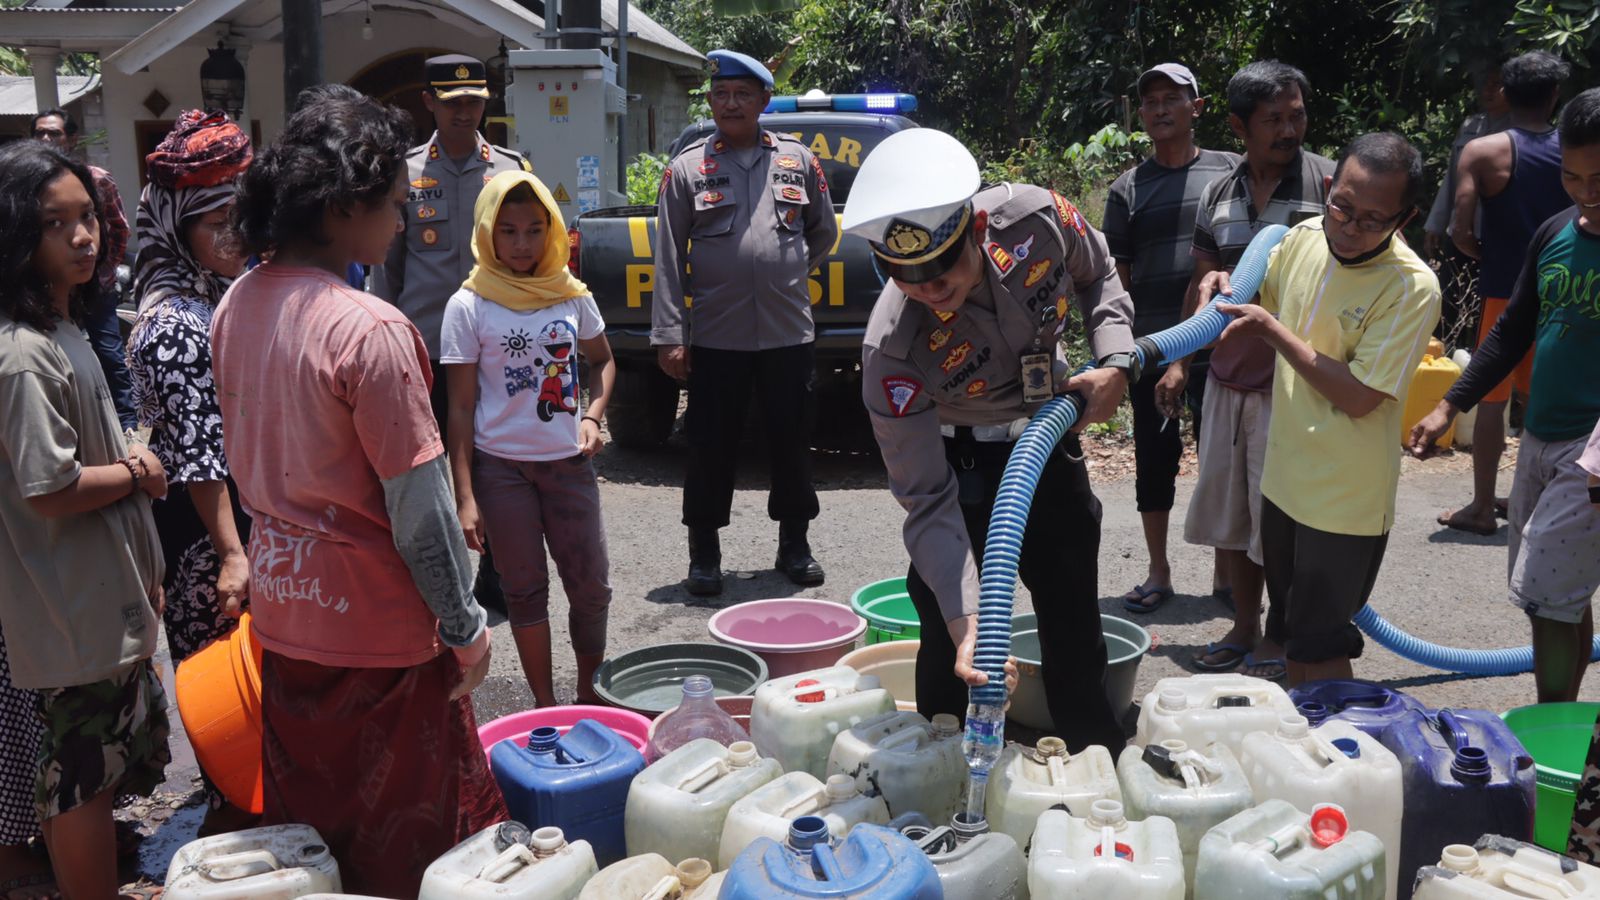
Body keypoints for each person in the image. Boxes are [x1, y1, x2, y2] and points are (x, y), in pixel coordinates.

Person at [213, 88, 505, 896]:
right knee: (408, 858)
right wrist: (465, 625)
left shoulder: (239, 301)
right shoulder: (369, 330)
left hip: (287, 616)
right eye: (395, 206)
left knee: (312, 851)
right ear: (344, 209)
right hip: (379, 640)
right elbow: (421, 513)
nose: (405, 223)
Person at [845, 127, 1135, 752]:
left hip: (1048, 440)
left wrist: (1114, 360)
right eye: (905, 274)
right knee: (948, 638)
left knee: (1072, 621)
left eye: (941, 266)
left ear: (975, 228)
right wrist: (966, 621)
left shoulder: (1038, 221)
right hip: (961, 466)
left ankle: (1094, 763)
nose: (927, 287)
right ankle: (942, 766)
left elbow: (1100, 272)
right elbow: (925, 499)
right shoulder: (891, 349)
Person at [1201, 132, 1439, 688]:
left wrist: (1272, 332)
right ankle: (1301, 745)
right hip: (1284, 481)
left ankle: (1334, 757)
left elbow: (1359, 397)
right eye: (1343, 208)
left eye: (1373, 221)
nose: (1351, 230)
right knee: (1288, 634)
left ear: (1406, 218)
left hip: (1344, 501)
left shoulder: (1412, 288)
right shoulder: (1303, 238)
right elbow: (1251, 304)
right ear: (1329, 188)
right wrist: (1219, 290)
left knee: (1320, 642)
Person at [0, 139, 171, 900]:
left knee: (97, 766)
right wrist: (139, 470)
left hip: (102, 592)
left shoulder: (64, 327)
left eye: (87, 219)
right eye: (54, 224)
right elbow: (49, 486)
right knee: (79, 776)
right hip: (69, 607)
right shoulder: (25, 352)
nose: (81, 237)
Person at [1411, 87, 1600, 705]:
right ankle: (1569, 730)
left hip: (1591, 448)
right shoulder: (1554, 233)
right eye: (1572, 177)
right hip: (1538, 437)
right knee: (1554, 599)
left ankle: (1552, 737)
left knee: (1549, 594)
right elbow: (1511, 332)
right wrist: (1448, 403)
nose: (1586, 192)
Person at [652, 49, 838, 596]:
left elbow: (822, 231)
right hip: (716, 337)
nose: (730, 103)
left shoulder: (797, 161)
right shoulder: (688, 169)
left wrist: (784, 274)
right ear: (710, 102)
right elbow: (667, 256)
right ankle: (704, 555)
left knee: (792, 441)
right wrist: (669, 336)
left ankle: (795, 545)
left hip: (787, 333)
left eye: (742, 95)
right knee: (710, 446)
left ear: (763, 101)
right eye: (721, 95)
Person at [1178, 61, 1335, 679]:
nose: (1289, 128)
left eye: (1297, 115)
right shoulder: (1219, 191)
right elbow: (1204, 278)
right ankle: (1245, 625)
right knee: (1234, 518)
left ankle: (1281, 633)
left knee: (1285, 522)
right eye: (1274, 119)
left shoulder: (1330, 185)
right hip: (1227, 379)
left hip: (1295, 385)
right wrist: (1180, 361)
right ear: (1240, 126)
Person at [123, 110, 255, 830]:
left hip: (228, 510)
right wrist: (234, 554)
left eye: (242, 216)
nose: (234, 235)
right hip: (207, 527)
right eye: (216, 221)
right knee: (221, 680)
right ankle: (233, 815)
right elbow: (201, 450)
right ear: (178, 224)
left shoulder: (212, 292)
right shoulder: (174, 321)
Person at [441, 170, 616, 708]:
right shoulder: (468, 306)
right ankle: (544, 704)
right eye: (508, 230)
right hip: (502, 472)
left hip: (569, 466)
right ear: (488, 232)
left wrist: (593, 416)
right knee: (523, 591)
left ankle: (589, 695)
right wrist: (465, 498)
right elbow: (461, 408)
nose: (522, 243)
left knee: (591, 587)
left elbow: (602, 361)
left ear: (552, 230)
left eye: (535, 229)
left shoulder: (571, 293)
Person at [374, 53, 531, 614]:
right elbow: (386, 269)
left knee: (495, 462)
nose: (466, 112)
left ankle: (495, 577)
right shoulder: (407, 173)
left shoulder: (512, 171)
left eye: (475, 102)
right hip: (430, 348)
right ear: (430, 103)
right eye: (454, 102)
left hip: (497, 348)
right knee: (428, 467)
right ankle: (439, 581)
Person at [1101, 62, 1238, 613]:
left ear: (1196, 108)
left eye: (1171, 99)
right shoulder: (1128, 189)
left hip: (1225, 343)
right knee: (1154, 459)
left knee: (1222, 459)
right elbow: (1117, 281)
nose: (1158, 109)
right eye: (1150, 101)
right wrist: (1121, 352)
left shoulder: (1232, 172)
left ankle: (1227, 576)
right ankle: (1158, 571)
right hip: (1154, 348)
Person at [1439, 49, 1572, 536]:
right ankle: (1533, 501)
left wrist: (1481, 255)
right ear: (1555, 94)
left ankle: (1479, 507)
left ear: (1505, 94)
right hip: (1563, 291)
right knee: (1543, 400)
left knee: (1490, 399)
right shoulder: (1573, 151)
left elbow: (1459, 227)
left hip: (1504, 289)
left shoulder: (1484, 151)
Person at [32, 108, 136, 431]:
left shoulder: (96, 179)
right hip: (48, 290)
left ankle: (128, 427)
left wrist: (99, 273)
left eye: (55, 133)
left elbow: (119, 229)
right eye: (40, 133)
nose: (47, 139)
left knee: (108, 353)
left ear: (71, 139)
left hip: (95, 284)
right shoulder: (27, 185)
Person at [1423, 65, 1509, 340]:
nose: (1488, 90)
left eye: (1497, 84)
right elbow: (1452, 177)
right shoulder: (1472, 125)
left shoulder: (1519, 130)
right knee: (1450, 299)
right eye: (1486, 83)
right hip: (1459, 230)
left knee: (1488, 307)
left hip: (1494, 234)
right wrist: (1436, 223)